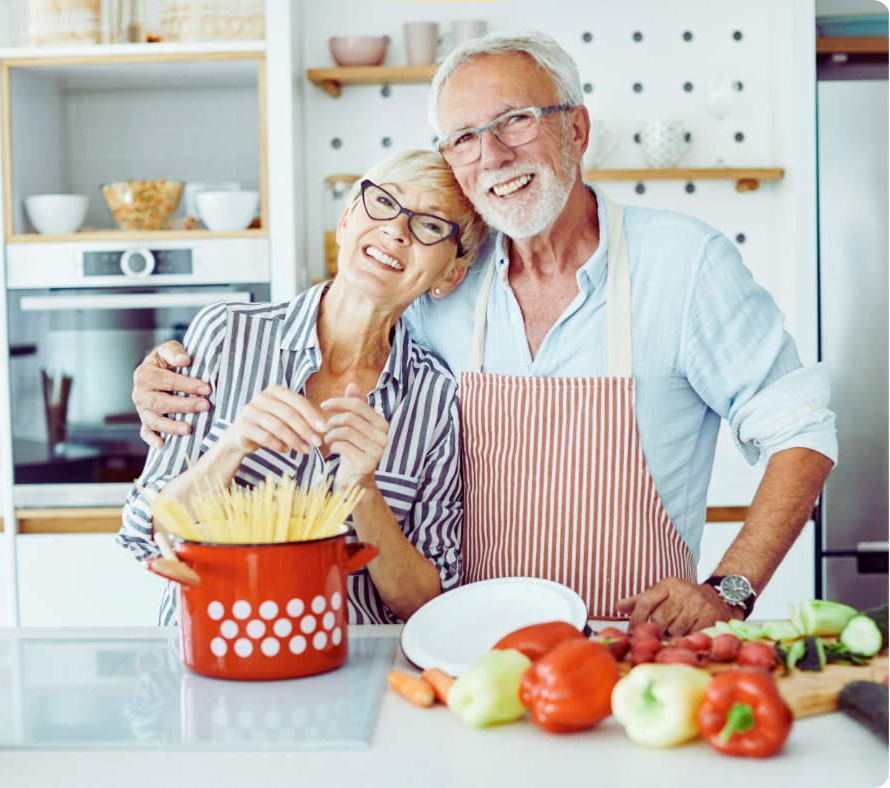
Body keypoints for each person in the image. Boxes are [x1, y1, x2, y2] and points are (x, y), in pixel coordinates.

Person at [130, 30, 837, 635]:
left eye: (516, 121)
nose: (492, 154)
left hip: (629, 643)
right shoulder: (447, 286)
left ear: (577, 130)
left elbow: (801, 430)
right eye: (464, 137)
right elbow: (344, 314)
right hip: (470, 650)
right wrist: (168, 372)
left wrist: (730, 592)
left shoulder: (683, 264)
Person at [117, 149, 489, 625]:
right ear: (346, 221)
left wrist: (364, 492)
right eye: (383, 203)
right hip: (213, 657)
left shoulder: (435, 398)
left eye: (432, 226)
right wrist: (232, 446)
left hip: (350, 667)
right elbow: (148, 532)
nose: (396, 230)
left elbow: (426, 605)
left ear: (451, 274)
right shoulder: (226, 335)